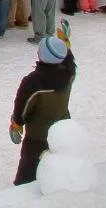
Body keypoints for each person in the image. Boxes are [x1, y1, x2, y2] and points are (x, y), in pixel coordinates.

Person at [11, 36, 76, 185]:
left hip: (37, 136)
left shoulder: (33, 82)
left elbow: (22, 112)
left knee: (27, 176)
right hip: (61, 130)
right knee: (58, 167)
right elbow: (70, 60)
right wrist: (65, 44)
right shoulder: (70, 73)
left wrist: (16, 122)